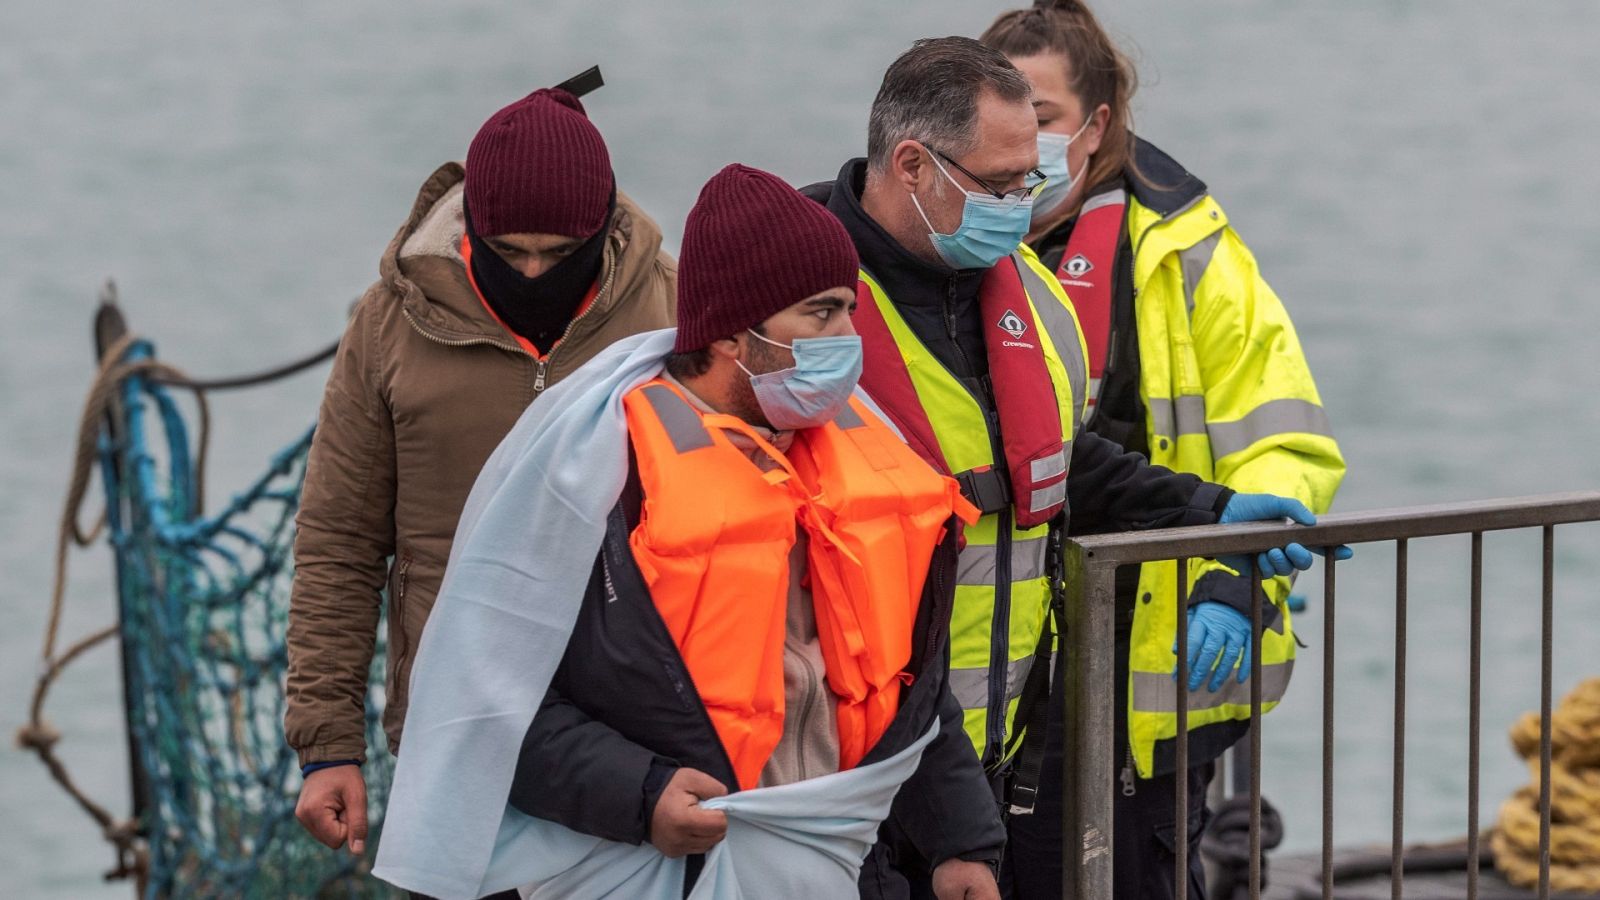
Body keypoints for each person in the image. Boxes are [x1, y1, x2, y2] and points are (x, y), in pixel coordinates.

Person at [800, 35, 1347, 897]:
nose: (1024, 203)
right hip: (846, 756)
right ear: (912, 164)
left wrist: (1213, 510)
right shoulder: (800, 297)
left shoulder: (1025, 290)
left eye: (1030, 179)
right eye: (1001, 183)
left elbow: (1058, 456)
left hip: (1007, 737)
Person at [371, 164, 1004, 900]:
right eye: (821, 314)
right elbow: (488, 704)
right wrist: (641, 795)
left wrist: (962, 841)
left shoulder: (870, 453)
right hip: (658, 866)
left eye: (848, 311)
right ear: (735, 333)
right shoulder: (601, 474)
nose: (847, 337)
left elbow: (911, 686)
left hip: (843, 859)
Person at [979, 2, 1347, 896]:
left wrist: (1231, 578)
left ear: (1097, 125)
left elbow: (1284, 442)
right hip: (983, 689)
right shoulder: (950, 242)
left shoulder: (1189, 256)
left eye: (1046, 115)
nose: (1026, 139)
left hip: (1152, 675)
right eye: (1002, 111)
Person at [283, 84, 676, 875]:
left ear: (601, 225)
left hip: (640, 740)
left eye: (559, 253)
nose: (532, 270)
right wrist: (328, 745)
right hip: (453, 730)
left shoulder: (672, 308)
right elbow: (339, 545)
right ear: (472, 227)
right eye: (509, 250)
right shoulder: (388, 324)